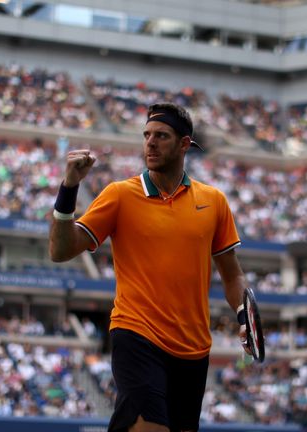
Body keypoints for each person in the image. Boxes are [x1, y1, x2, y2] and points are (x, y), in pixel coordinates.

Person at [49, 102, 251, 432]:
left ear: (185, 144)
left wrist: (244, 315)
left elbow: (233, 275)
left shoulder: (214, 201)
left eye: (161, 135)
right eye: (146, 135)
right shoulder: (119, 195)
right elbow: (60, 250)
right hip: (137, 335)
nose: (150, 143)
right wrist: (68, 188)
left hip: (194, 349)